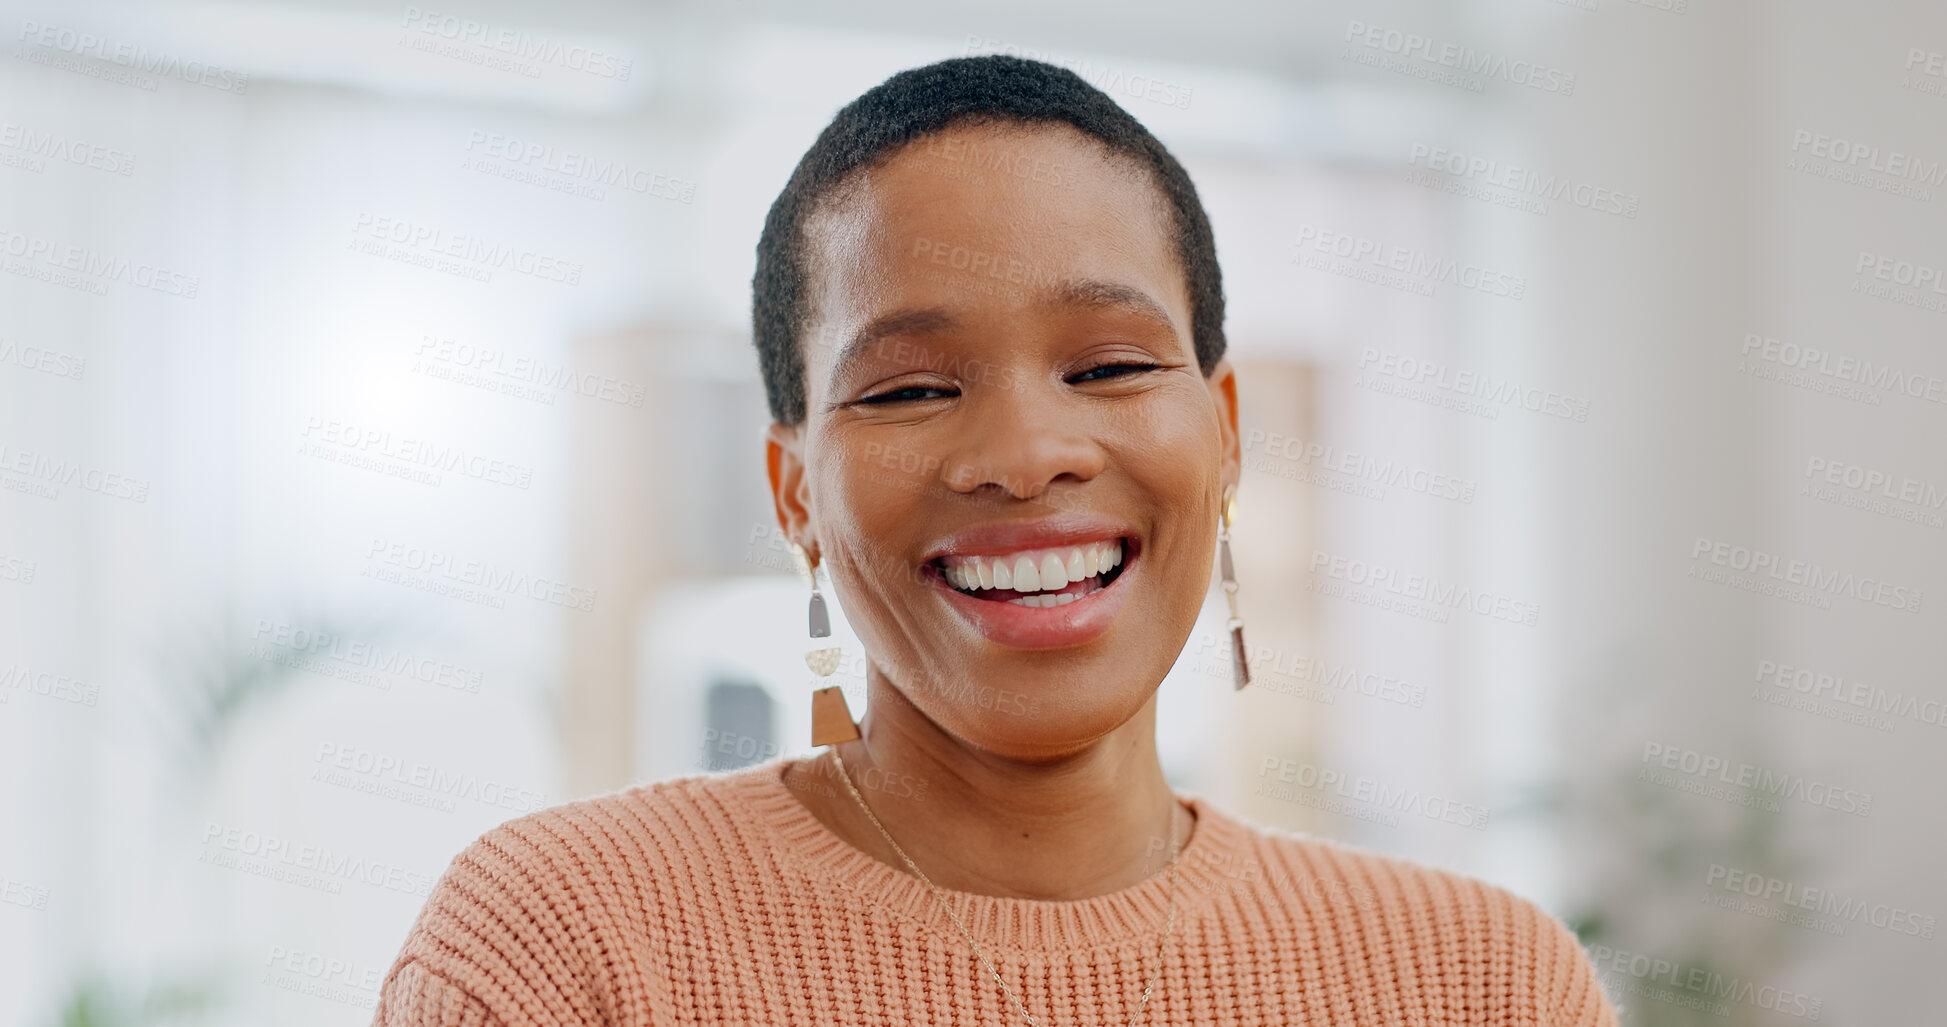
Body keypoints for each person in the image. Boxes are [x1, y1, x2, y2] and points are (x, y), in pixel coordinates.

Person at [371, 54, 1617, 1027]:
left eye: (1113, 364)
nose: (1025, 454)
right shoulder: (562, 944)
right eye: (909, 388)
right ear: (793, 486)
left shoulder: (1484, 981)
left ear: (1225, 433)